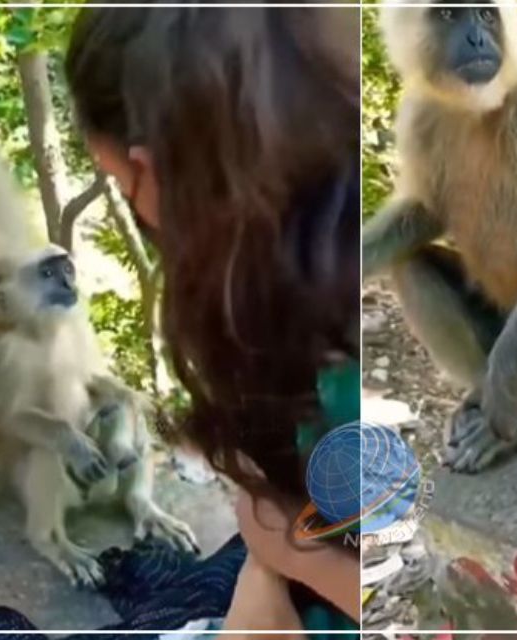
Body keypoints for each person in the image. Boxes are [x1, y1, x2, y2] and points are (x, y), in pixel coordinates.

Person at [64, 5, 361, 636]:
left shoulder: (346, 359)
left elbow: (459, 593)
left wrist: (291, 551)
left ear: (148, 172)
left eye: (121, 184)